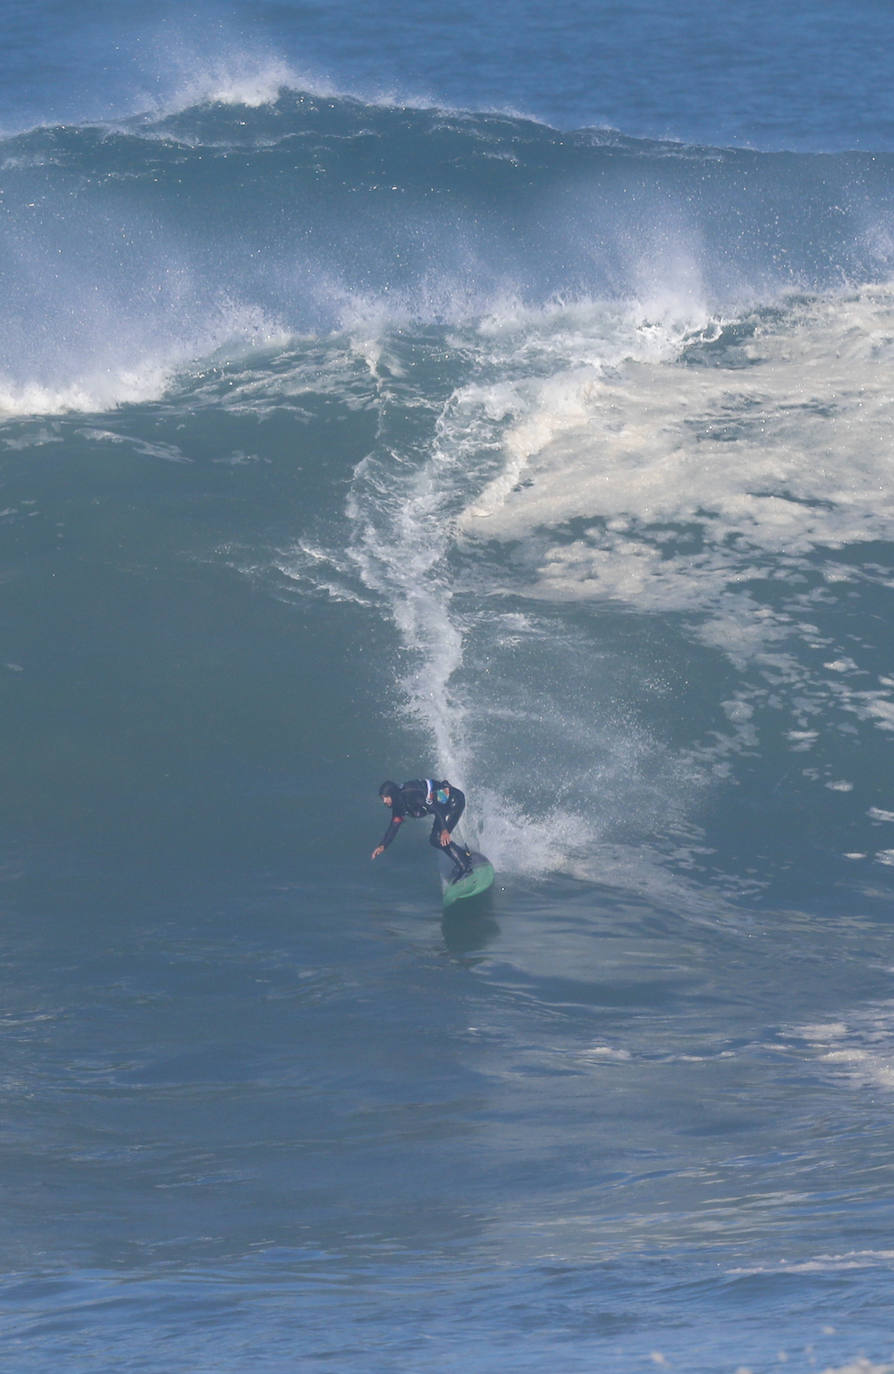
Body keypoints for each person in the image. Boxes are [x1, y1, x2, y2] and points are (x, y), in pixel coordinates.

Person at [372, 778, 473, 882]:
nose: (384, 801)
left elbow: (436, 809)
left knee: (437, 839)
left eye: (386, 797)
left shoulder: (412, 795)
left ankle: (465, 867)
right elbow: (394, 826)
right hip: (444, 806)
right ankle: (464, 855)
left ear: (393, 794)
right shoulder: (398, 805)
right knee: (435, 839)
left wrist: (444, 830)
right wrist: (382, 845)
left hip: (454, 801)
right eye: (382, 798)